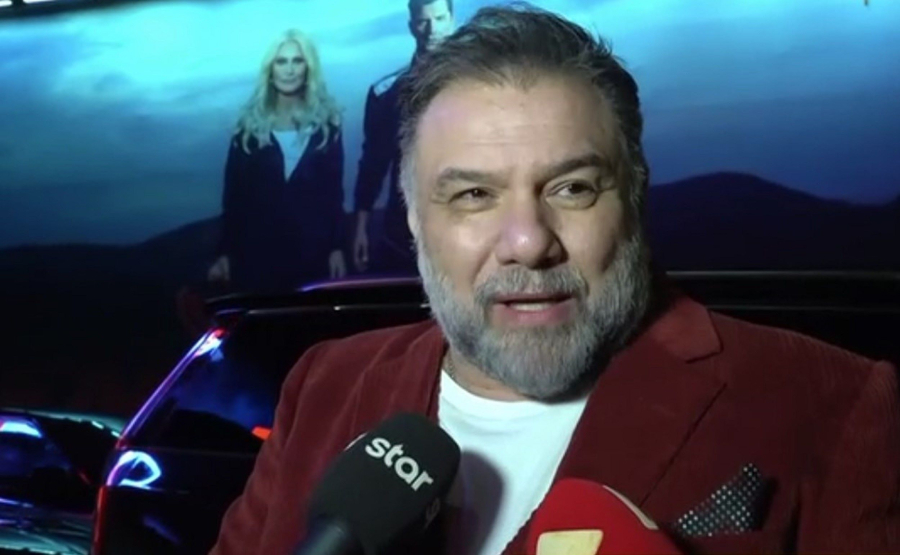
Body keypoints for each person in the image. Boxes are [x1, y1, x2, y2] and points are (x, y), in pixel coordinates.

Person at [210, 5, 900, 555]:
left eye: (572, 187)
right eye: (474, 195)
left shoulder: (830, 403)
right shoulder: (324, 384)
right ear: (415, 217)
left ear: (634, 196)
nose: (528, 241)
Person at [208, 29, 347, 292]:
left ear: (308, 68)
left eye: (297, 61)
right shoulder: (248, 130)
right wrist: (224, 252)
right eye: (281, 62)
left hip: (312, 258)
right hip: (256, 261)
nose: (289, 70)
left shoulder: (327, 128)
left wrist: (337, 247)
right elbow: (234, 199)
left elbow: (333, 196)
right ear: (270, 70)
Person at [351, 0, 455, 276]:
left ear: (452, 20)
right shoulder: (386, 94)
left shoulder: (485, 87)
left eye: (439, 19)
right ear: (412, 27)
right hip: (404, 234)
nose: (432, 30)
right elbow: (372, 165)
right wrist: (360, 227)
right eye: (423, 21)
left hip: (469, 223)